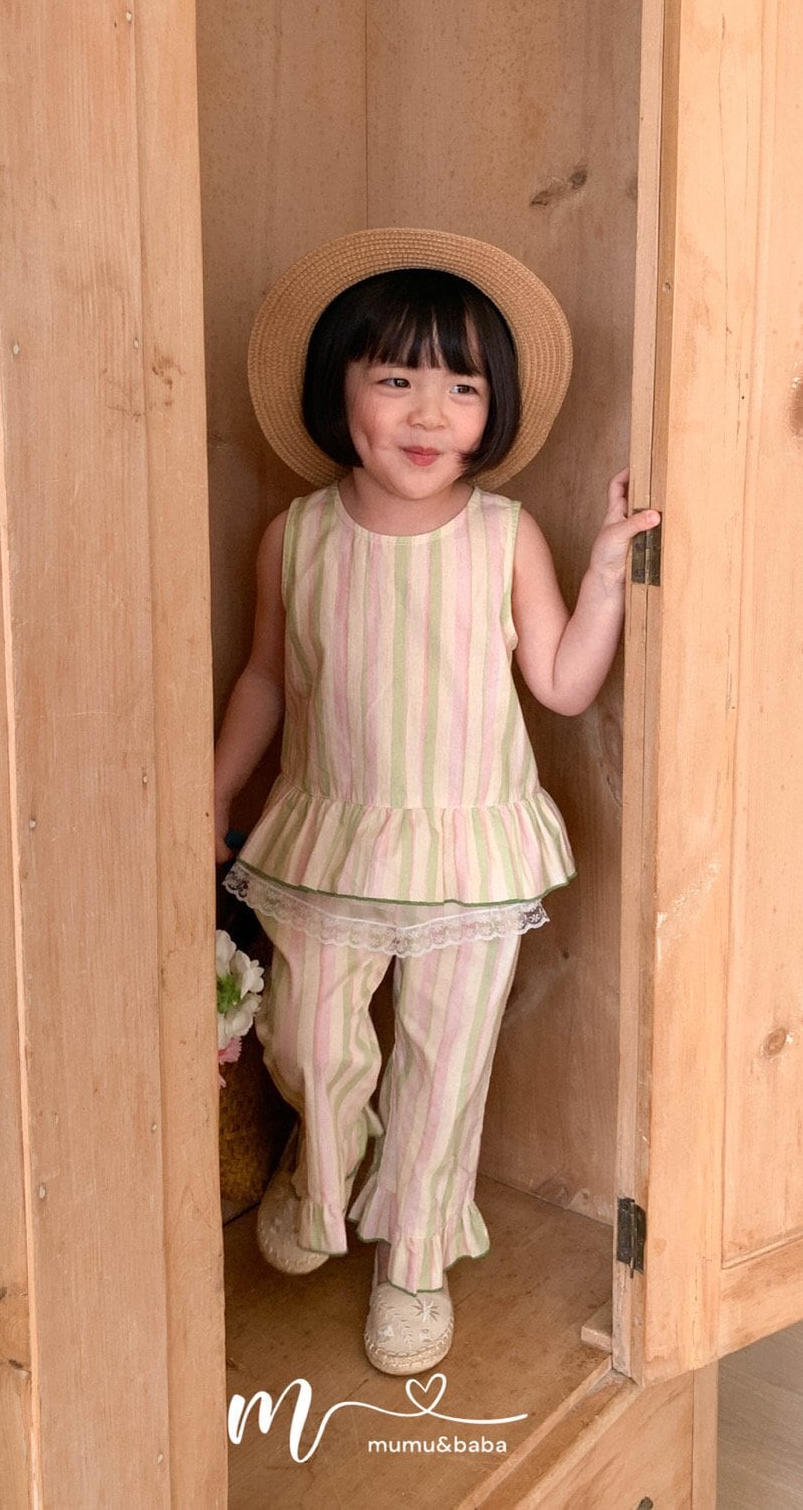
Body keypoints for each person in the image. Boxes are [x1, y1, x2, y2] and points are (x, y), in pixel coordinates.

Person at [213, 228, 660, 1376]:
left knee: (443, 1064)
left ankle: (412, 1256)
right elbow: (263, 678)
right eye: (396, 378)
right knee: (306, 1039)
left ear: (491, 410)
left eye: (461, 387)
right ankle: (320, 1176)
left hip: (468, 849)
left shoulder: (504, 536)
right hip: (329, 837)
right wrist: (209, 799)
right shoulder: (293, 537)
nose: (428, 412)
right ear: (340, 390)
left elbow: (561, 683)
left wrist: (604, 575)